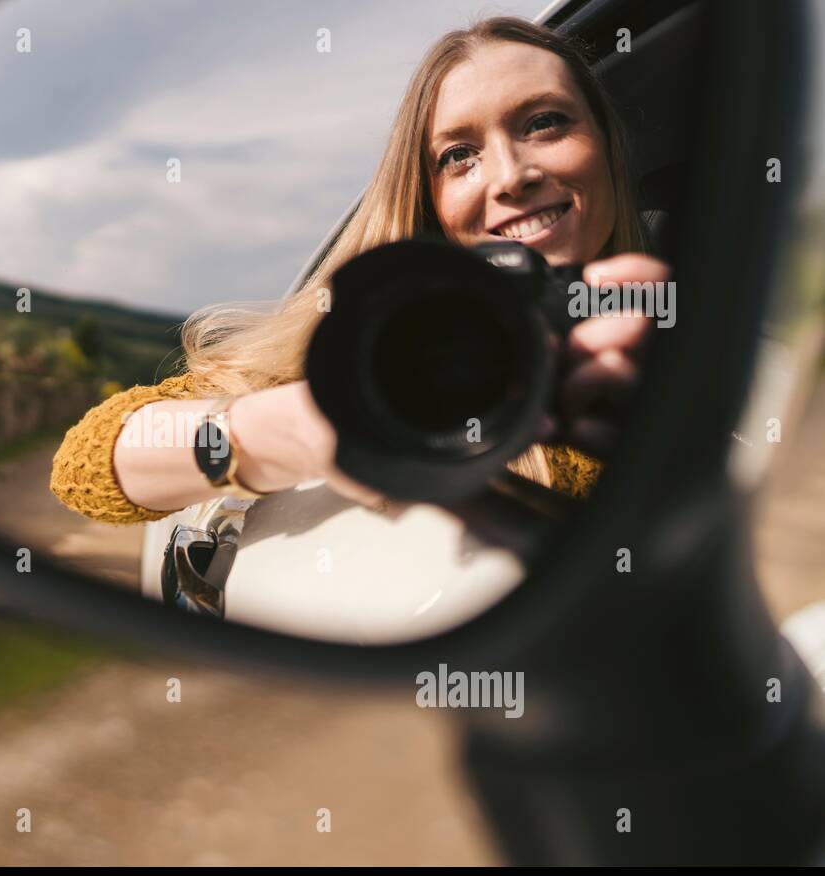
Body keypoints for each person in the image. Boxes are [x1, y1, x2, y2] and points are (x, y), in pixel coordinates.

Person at [50, 16, 670, 526]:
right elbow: (90, 461)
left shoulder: (702, 326)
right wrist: (303, 427)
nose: (511, 176)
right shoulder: (383, 346)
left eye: (544, 123)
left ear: (607, 143)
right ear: (429, 202)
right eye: (459, 155)